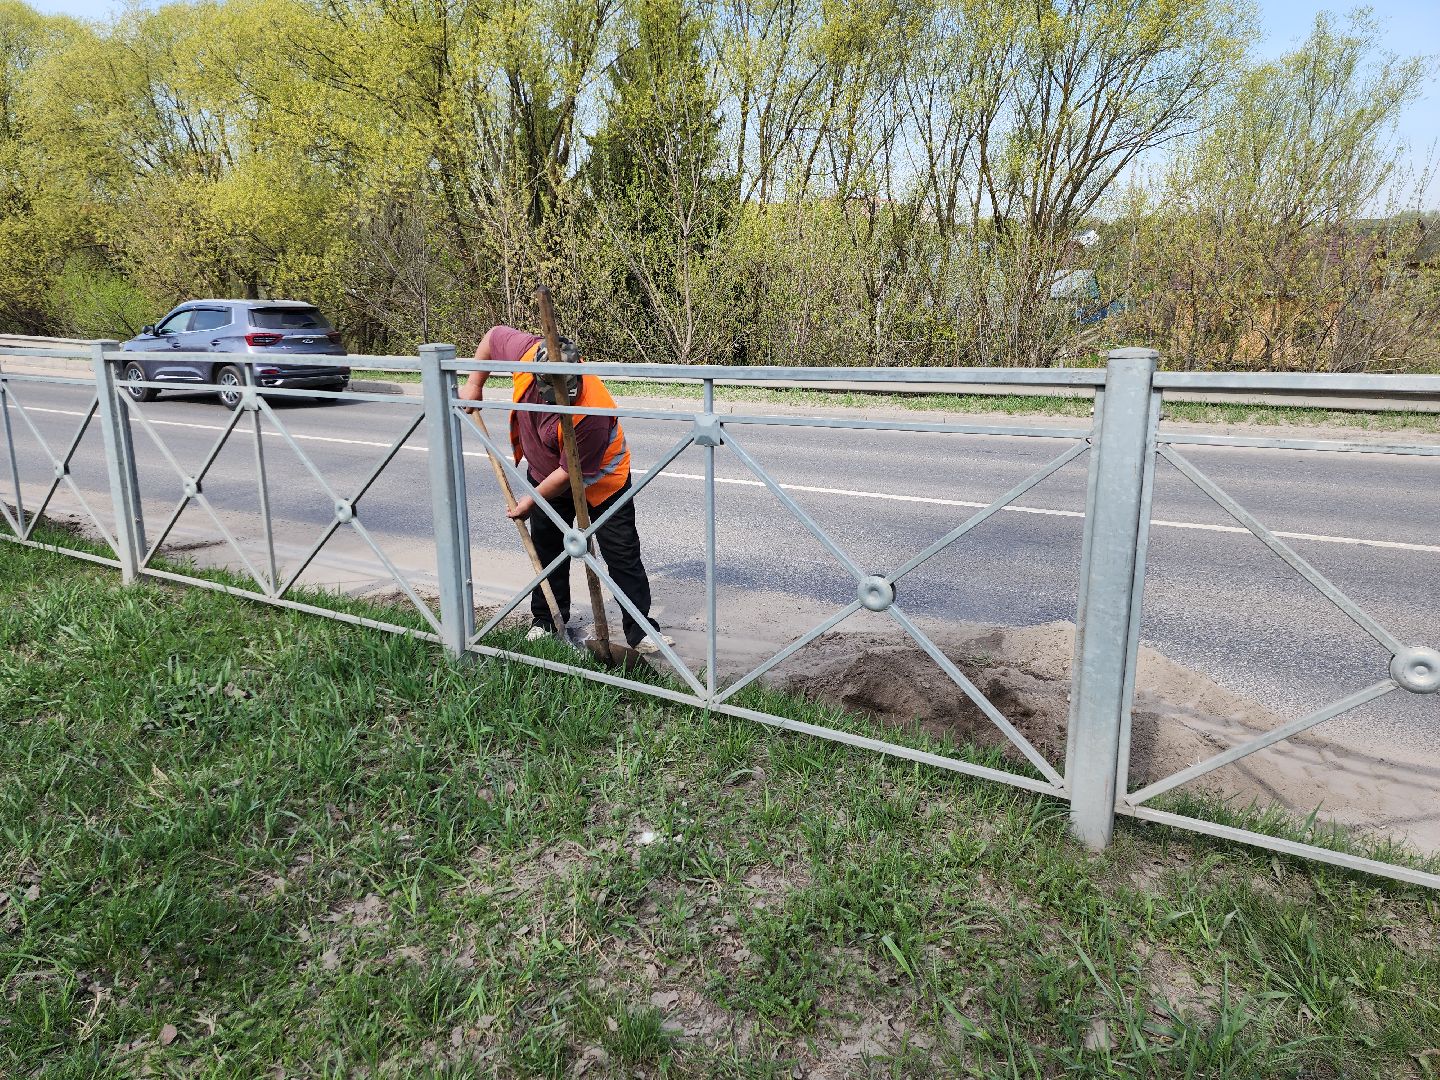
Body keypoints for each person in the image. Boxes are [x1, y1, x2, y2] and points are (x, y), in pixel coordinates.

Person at [458, 324, 671, 654]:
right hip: (547, 474)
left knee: (622, 553)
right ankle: (546, 621)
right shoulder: (527, 357)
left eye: (570, 389)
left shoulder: (593, 411)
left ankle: (640, 631)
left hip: (602, 481)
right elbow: (492, 336)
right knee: (547, 549)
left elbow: (571, 471)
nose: (564, 398)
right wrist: (474, 382)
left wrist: (531, 500)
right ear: (539, 379)